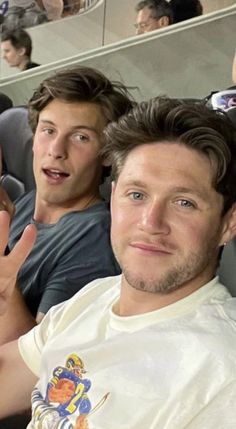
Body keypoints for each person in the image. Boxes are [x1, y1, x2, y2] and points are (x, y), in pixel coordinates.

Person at [1, 97, 236, 428]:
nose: (150, 222)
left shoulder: (221, 374)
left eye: (184, 202)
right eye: (137, 195)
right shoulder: (95, 297)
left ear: (229, 223)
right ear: (113, 200)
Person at [0, 65, 133, 345]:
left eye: (80, 137)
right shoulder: (21, 206)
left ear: (107, 154)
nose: (56, 150)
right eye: (48, 130)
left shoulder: (95, 239)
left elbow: (42, 365)